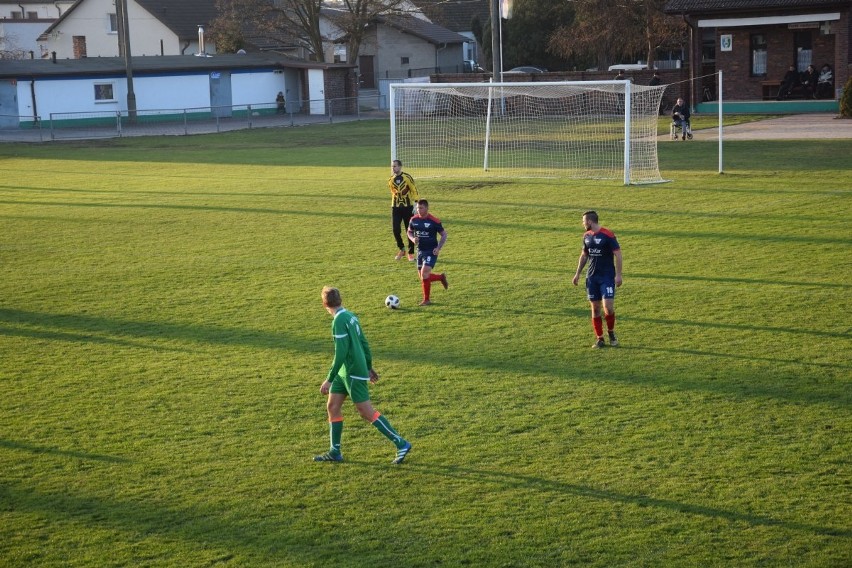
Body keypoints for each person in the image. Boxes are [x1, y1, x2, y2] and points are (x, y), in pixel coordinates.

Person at [314, 286, 412, 464]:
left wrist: (329, 379)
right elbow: (364, 342)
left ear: (324, 304)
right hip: (345, 372)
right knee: (333, 406)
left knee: (366, 412)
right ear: (340, 300)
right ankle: (335, 451)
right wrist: (369, 366)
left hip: (352, 371)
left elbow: (341, 353)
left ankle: (401, 443)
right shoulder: (350, 315)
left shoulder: (338, 321)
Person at [571, 211, 622, 349]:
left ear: (590, 222)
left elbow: (618, 254)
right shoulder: (586, 236)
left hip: (607, 277)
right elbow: (584, 255)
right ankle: (600, 338)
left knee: (608, 307)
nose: (583, 224)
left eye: (584, 221)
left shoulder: (608, 235)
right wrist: (577, 274)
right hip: (592, 277)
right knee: (595, 308)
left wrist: (618, 275)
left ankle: (611, 333)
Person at [407, 199, 448, 306]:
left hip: (431, 251)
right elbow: (409, 231)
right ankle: (440, 277)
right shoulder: (413, 219)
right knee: (422, 276)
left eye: (421, 208)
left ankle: (426, 300)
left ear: (427, 208)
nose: (418, 210)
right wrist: (412, 239)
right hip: (420, 251)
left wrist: (438, 248)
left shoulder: (434, 221)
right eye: (417, 208)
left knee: (425, 273)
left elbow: (444, 235)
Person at [389, 159, 420, 261]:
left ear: (400, 167)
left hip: (407, 208)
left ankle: (411, 253)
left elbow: (414, 190)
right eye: (392, 166)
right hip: (396, 208)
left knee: (409, 230)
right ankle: (402, 249)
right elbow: (393, 192)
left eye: (395, 166)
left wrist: (416, 203)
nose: (393, 168)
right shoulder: (391, 180)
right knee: (395, 230)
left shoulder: (407, 177)